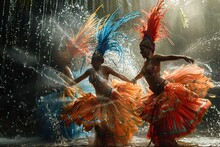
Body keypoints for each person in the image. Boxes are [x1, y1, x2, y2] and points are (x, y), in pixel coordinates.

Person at [131, 0, 214, 146]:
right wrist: (134, 79)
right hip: (155, 96)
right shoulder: (145, 64)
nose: (141, 51)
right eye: (140, 49)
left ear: (149, 48)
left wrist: (183, 57)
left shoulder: (155, 58)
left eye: (142, 49)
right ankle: (164, 142)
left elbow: (169, 57)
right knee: (158, 124)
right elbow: (141, 74)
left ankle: (170, 142)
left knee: (164, 121)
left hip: (166, 91)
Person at [61, 10, 142, 146]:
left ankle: (113, 142)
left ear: (101, 61)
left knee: (111, 124)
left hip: (111, 97)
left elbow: (119, 75)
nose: (94, 62)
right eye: (93, 60)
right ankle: (101, 143)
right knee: (98, 125)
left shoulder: (105, 69)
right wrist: (69, 84)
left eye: (96, 60)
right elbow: (78, 79)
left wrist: (131, 81)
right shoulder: (89, 71)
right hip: (98, 100)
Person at [37, 8, 101, 140]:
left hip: (67, 96)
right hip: (63, 95)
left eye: (63, 53)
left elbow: (71, 81)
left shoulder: (66, 68)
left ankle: (66, 136)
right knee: (62, 117)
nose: (59, 54)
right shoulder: (62, 67)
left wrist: (63, 86)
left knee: (65, 116)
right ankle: (63, 135)